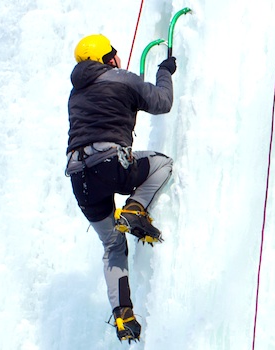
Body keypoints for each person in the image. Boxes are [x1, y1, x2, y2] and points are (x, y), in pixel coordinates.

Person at [65, 33, 177, 343]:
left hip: (80, 179)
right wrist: (164, 71)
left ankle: (123, 316)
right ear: (107, 58)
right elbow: (162, 102)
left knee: (113, 246)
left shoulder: (76, 94)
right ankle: (134, 209)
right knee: (162, 163)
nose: (118, 56)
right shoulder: (123, 79)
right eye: (113, 53)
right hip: (111, 163)